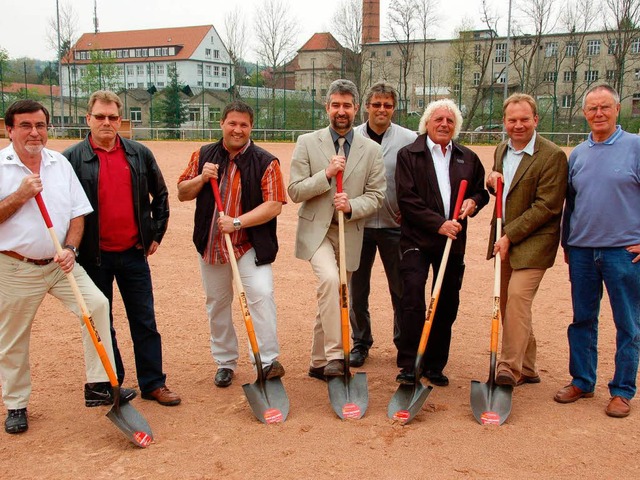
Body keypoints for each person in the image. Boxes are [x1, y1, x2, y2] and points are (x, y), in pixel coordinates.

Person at [0, 99, 135, 435]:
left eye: (40, 125)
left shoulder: (59, 163)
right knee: (14, 337)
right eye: (26, 125)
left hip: (61, 264)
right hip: (16, 267)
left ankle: (98, 383)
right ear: (9, 129)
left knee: (97, 305)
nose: (35, 132)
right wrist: (19, 195)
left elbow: (78, 213)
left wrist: (72, 248)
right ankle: (16, 403)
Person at [63, 90, 180, 406]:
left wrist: (156, 232)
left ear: (120, 120)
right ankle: (112, 383)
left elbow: (162, 195)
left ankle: (153, 383)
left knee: (144, 320)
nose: (106, 122)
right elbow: (62, 208)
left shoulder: (138, 154)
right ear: (88, 119)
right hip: (93, 256)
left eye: (113, 117)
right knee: (103, 321)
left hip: (133, 253)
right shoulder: (70, 159)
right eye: (100, 116)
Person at [177, 100, 286, 388]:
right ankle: (225, 361)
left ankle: (266, 362)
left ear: (251, 127)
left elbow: (274, 205)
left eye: (244, 124)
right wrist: (202, 177)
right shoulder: (202, 155)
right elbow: (182, 193)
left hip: (248, 244)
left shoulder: (266, 161)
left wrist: (237, 222)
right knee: (218, 304)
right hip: (212, 244)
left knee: (261, 294)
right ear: (222, 123)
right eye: (232, 123)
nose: (237, 129)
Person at [288, 79, 386, 380]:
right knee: (332, 282)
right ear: (327, 107)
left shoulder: (371, 150)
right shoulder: (307, 142)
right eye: (335, 105)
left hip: (349, 231)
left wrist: (352, 205)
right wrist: (326, 175)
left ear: (356, 108)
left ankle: (317, 362)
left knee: (331, 297)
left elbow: (377, 196)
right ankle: (335, 356)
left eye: (346, 105)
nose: (340, 111)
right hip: (316, 232)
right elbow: (294, 190)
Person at [554, 84, 640, 418]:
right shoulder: (578, 154)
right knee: (583, 319)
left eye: (605, 107)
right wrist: (567, 243)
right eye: (592, 108)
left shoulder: (635, 147)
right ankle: (582, 380)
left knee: (628, 322)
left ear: (618, 109)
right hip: (583, 251)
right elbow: (570, 204)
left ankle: (622, 390)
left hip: (623, 252)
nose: (599, 113)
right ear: (584, 112)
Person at [394, 99, 489, 386]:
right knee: (412, 297)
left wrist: (474, 201)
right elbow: (407, 199)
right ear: (427, 123)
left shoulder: (468, 158)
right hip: (417, 239)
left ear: (456, 126)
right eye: (438, 119)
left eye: (450, 120)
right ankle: (411, 364)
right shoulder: (409, 154)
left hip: (453, 242)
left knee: (446, 302)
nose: (444, 124)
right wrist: (438, 223)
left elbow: (480, 192)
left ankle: (435, 364)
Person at [485, 93, 568, 387]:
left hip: (534, 240)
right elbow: (501, 187)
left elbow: (547, 206)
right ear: (505, 122)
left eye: (524, 119)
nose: (518, 125)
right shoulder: (501, 150)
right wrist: (490, 180)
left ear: (535, 119)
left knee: (518, 297)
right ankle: (530, 367)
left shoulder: (552, 155)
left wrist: (510, 236)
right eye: (512, 120)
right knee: (509, 303)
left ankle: (508, 367)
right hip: (505, 236)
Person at [348, 82, 417, 368]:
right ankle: (361, 342)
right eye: (376, 104)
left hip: (394, 226)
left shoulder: (410, 138)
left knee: (400, 289)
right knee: (357, 290)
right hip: (359, 225)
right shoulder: (350, 137)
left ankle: (403, 345)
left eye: (387, 105)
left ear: (394, 108)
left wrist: (411, 211)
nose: (381, 110)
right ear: (367, 107)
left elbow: (419, 178)